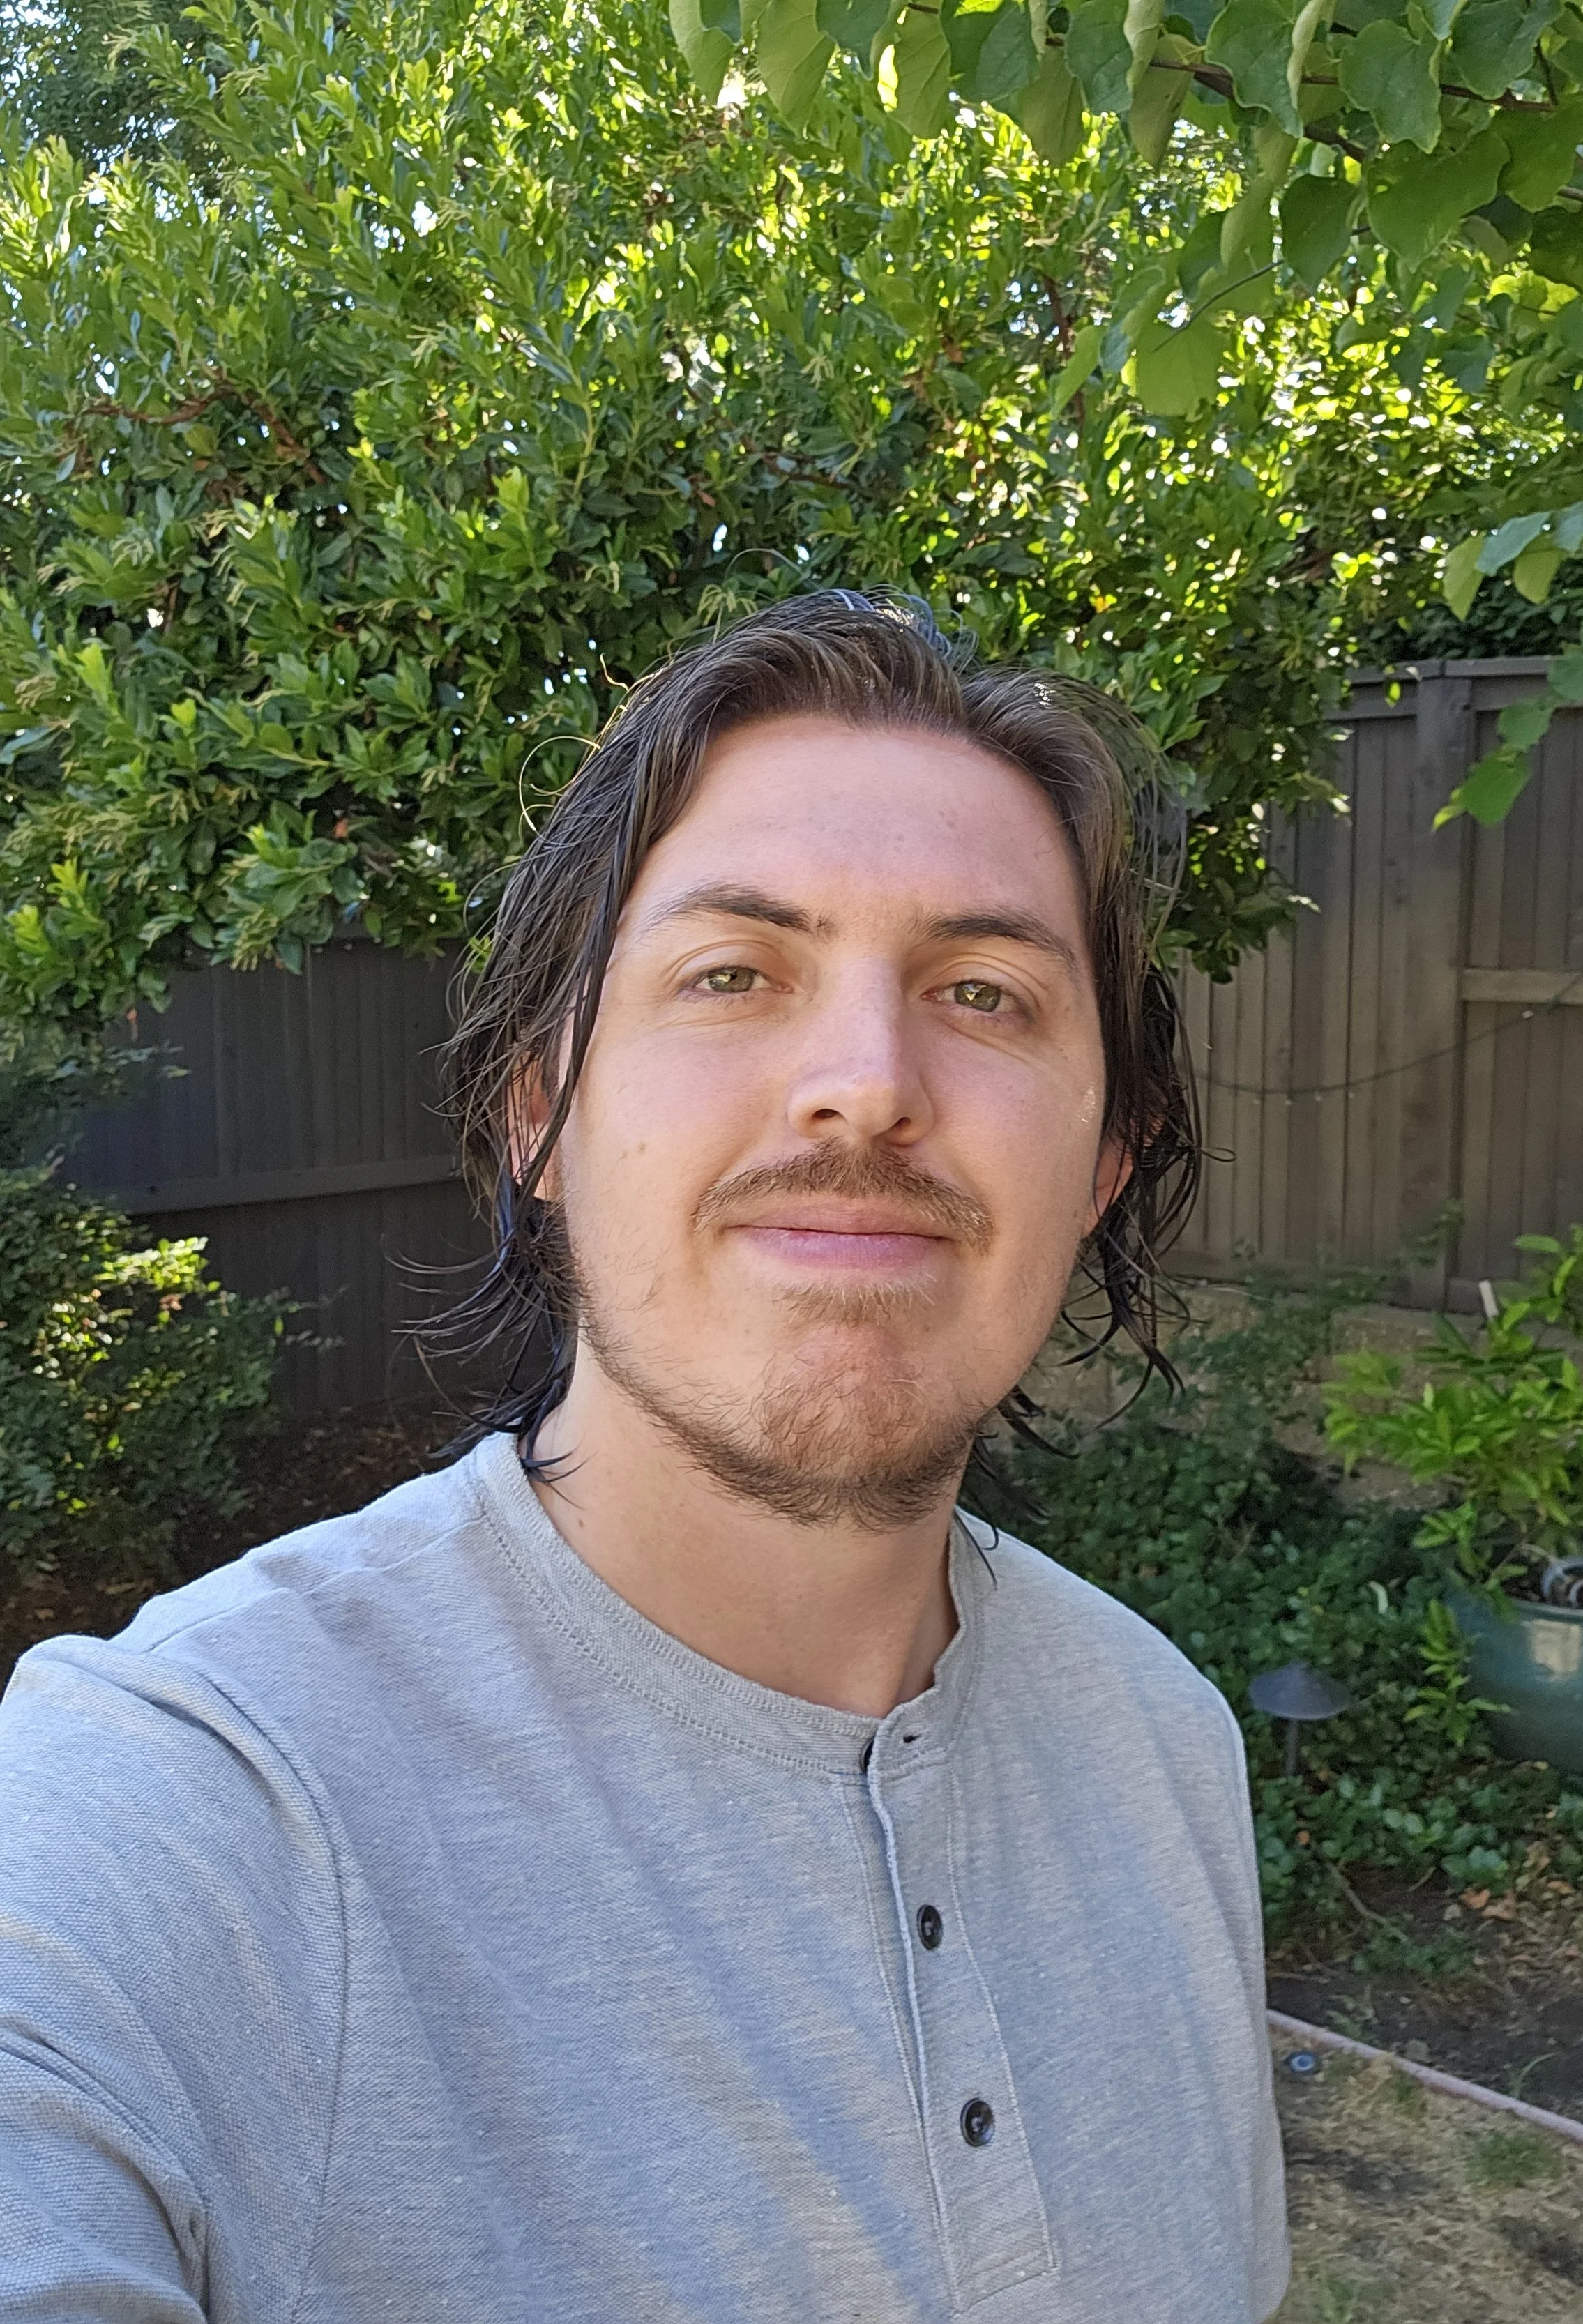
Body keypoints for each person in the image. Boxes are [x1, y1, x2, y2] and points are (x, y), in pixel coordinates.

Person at [0, 593, 1288, 2321]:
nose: (864, 1083)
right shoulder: (189, 1811)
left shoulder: (1164, 1742)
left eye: (983, 994)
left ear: (1107, 1153)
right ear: (542, 1110)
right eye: (731, 973)